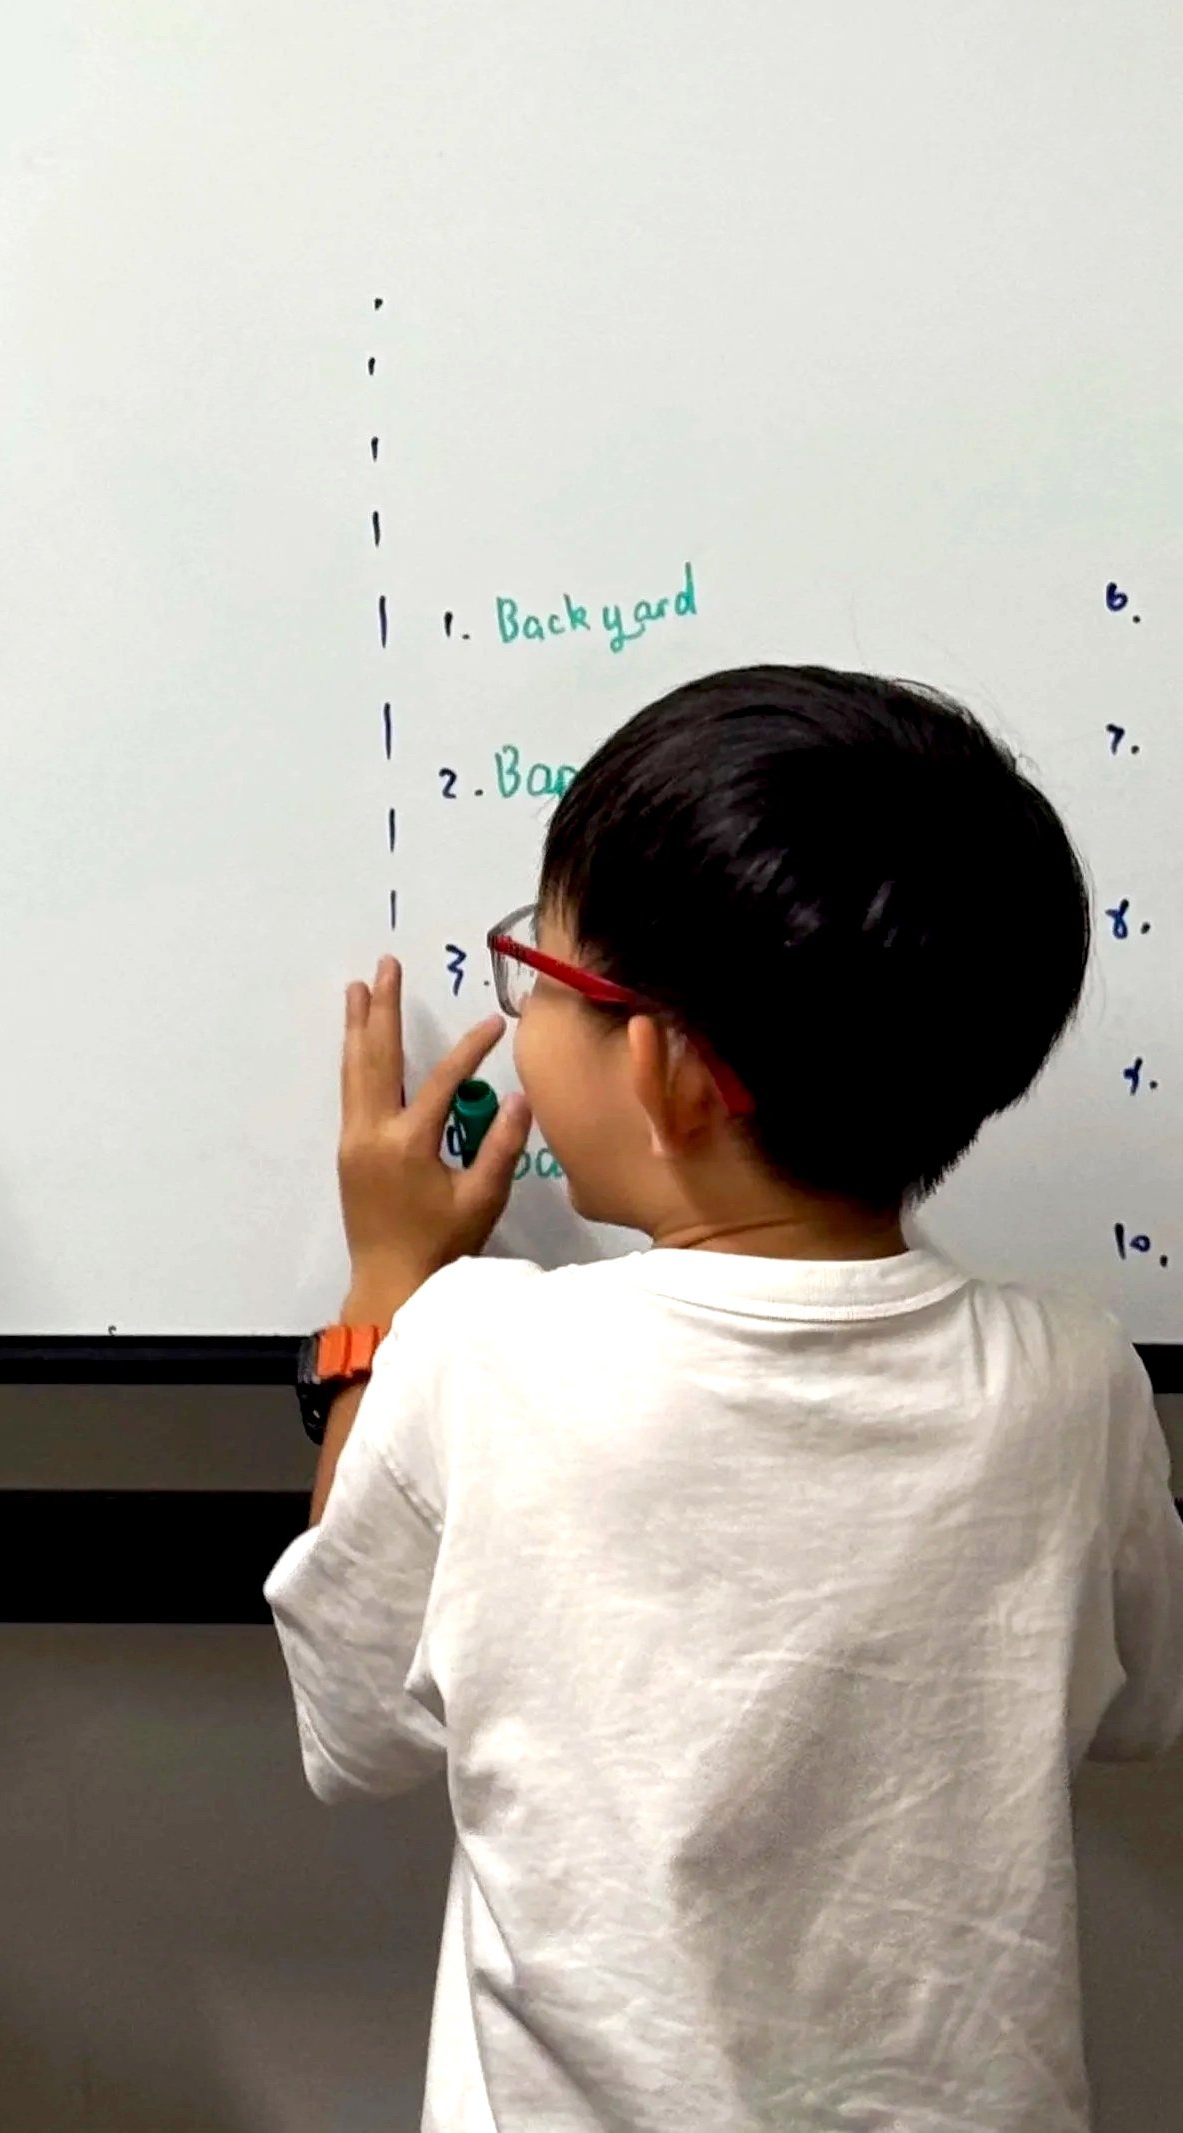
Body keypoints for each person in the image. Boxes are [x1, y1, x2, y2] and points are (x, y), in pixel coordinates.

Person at [270, 665, 1183, 2133]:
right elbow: (1136, 1705)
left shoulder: (478, 1352)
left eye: (541, 972)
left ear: (672, 1068)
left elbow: (353, 1714)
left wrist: (385, 1286)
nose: (520, 998)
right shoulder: (1079, 1385)